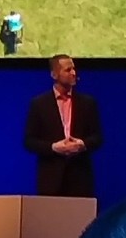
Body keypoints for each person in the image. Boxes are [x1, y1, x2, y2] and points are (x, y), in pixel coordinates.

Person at [25, 54, 103, 197]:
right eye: (68, 70)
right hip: (51, 180)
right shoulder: (39, 104)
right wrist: (53, 147)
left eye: (74, 69)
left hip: (80, 179)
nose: (73, 73)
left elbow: (97, 138)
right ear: (54, 74)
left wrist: (82, 144)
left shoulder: (87, 103)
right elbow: (29, 141)